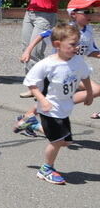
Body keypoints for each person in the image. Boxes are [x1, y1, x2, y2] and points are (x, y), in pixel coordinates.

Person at [14, 0, 100, 134]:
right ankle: (30, 118)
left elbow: (91, 51)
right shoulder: (66, 30)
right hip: (60, 71)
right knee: (61, 103)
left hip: (76, 70)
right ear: (73, 14)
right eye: (87, 12)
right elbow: (42, 34)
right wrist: (28, 51)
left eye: (92, 11)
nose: (92, 14)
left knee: (93, 91)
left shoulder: (88, 30)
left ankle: (28, 118)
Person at [22, 23, 92, 185]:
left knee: (66, 142)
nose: (77, 47)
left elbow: (85, 76)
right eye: (72, 44)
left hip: (64, 109)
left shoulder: (77, 61)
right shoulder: (47, 64)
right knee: (57, 142)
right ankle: (46, 169)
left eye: (78, 43)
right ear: (57, 45)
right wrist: (43, 101)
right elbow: (31, 84)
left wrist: (89, 93)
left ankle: (31, 125)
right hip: (50, 108)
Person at [12, 0, 68, 98]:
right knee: (26, 49)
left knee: (35, 51)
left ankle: (38, 87)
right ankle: (34, 85)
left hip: (45, 14)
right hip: (31, 12)